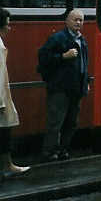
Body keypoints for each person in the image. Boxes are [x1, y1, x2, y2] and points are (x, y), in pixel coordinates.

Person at [38, 8, 89, 162]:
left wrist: (85, 82)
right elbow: (43, 58)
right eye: (75, 19)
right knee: (56, 121)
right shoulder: (57, 38)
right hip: (60, 88)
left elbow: (84, 65)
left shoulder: (82, 40)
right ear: (67, 21)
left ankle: (63, 150)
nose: (78, 22)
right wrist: (63, 56)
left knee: (72, 122)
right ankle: (50, 152)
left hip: (76, 87)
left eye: (81, 20)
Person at [0, 8, 30, 178]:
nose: (9, 28)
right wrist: (0, 102)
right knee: (3, 133)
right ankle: (8, 166)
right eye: (7, 24)